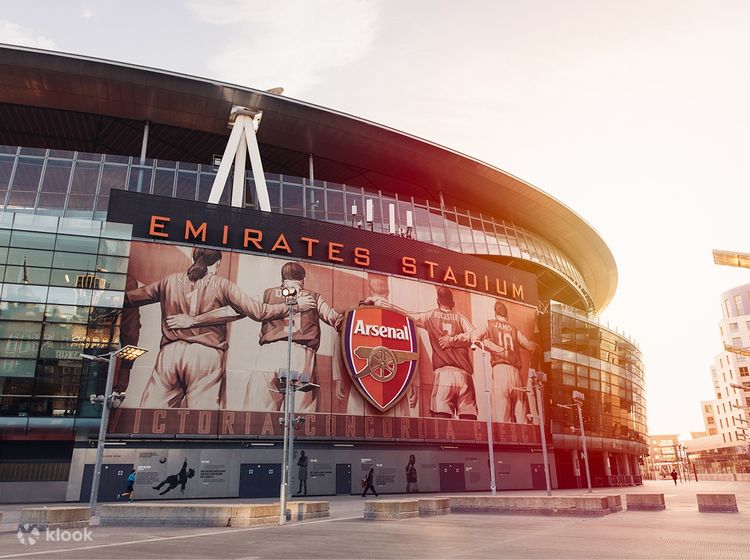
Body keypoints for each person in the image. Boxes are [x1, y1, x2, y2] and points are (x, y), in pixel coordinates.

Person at [127, 247, 314, 409]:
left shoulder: (169, 281)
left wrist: (103, 294)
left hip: (169, 354)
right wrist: (295, 305)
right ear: (217, 264)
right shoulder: (222, 285)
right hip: (206, 355)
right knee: (202, 419)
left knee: (150, 414)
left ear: (194, 259)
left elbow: (129, 298)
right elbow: (258, 312)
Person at [183, 261, 342, 413]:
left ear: (282, 280)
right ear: (303, 279)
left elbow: (235, 311)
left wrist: (195, 320)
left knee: (257, 413)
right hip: (302, 356)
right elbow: (336, 320)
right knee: (301, 418)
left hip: (269, 354)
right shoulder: (313, 297)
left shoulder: (267, 294)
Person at [472, 300, 537, 423]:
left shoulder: (489, 323)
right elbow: (529, 346)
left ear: (495, 313)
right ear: (507, 316)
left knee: (502, 416)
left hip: (500, 370)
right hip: (516, 373)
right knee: (521, 415)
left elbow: (475, 339)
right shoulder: (513, 328)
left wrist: (498, 350)